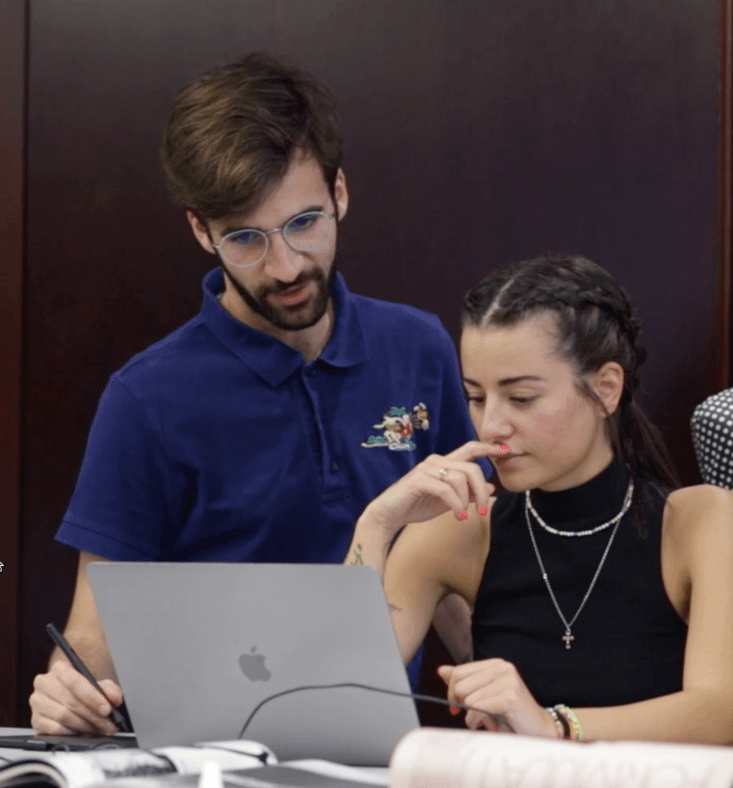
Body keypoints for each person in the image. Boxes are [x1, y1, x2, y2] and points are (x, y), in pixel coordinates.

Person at [31, 54, 477, 736]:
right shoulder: (146, 397)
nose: (287, 265)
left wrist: (532, 711)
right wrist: (68, 697)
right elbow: (94, 638)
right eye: (245, 239)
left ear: (340, 193)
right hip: (200, 764)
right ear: (200, 232)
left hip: (379, 755)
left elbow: (459, 565)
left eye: (305, 223)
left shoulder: (419, 347)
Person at [346, 254, 733, 744]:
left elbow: (722, 714)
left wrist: (553, 724)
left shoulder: (699, 521)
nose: (492, 426)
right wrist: (377, 522)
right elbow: (335, 698)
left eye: (521, 398)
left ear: (605, 389)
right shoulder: (459, 530)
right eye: (476, 397)